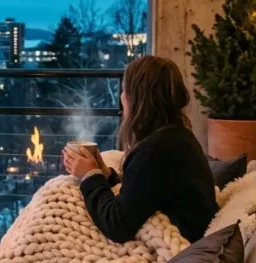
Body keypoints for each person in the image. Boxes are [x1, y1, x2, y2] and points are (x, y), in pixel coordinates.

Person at [62, 55, 217, 243]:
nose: (121, 97)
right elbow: (145, 191)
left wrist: (90, 177)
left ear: (136, 98)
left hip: (181, 243)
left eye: (124, 90)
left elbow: (117, 225)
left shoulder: (155, 150)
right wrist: (105, 174)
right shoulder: (177, 137)